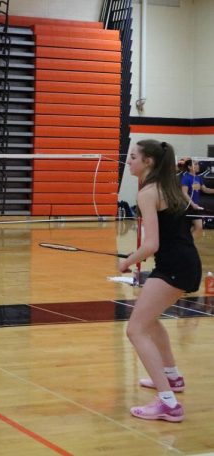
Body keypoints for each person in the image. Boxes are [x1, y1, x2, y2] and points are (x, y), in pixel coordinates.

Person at [117, 140, 201, 423]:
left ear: (148, 161)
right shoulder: (172, 187)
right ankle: (172, 377)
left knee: (135, 329)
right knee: (149, 321)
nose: (129, 162)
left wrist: (128, 260)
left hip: (174, 267)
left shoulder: (148, 192)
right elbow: (197, 221)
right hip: (185, 263)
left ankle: (168, 403)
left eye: (133, 157)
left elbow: (151, 244)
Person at [179, 158, 213, 238]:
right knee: (196, 227)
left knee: (198, 227)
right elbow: (184, 193)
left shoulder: (198, 178)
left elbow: (205, 189)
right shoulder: (186, 178)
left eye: (197, 164)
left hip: (195, 207)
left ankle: (187, 244)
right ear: (190, 167)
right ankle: (187, 244)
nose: (198, 166)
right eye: (195, 164)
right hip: (187, 206)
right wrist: (192, 204)